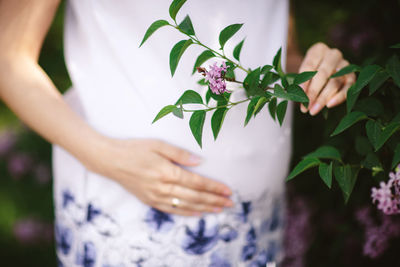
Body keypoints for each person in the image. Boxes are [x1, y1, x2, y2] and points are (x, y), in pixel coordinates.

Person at [0, 0, 355, 266]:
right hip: (130, 216)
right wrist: (108, 158)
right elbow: (8, 58)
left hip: (253, 225)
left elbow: (273, 50)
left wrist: (314, 72)